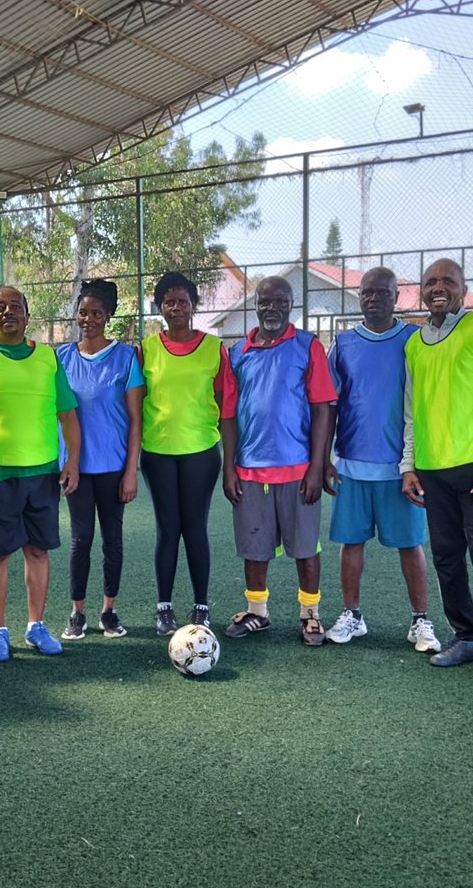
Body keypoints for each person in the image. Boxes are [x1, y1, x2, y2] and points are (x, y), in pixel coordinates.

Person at [0, 286, 81, 661]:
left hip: (43, 473)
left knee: (38, 550)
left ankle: (36, 626)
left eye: (15, 306)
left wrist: (72, 460)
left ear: (27, 315)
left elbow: (68, 415)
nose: (7, 312)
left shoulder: (48, 358)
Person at [402, 258, 473, 686]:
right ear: (421, 291)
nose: (438, 288)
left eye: (448, 281)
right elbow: (411, 412)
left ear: (463, 290)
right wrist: (409, 465)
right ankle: (467, 638)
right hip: (432, 471)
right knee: (447, 559)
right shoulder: (415, 344)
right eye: (431, 281)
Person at [324, 267, 441, 654]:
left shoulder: (414, 340)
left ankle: (420, 620)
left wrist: (417, 462)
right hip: (351, 465)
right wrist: (325, 459)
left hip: (401, 469)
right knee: (351, 543)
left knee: (411, 544)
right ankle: (352, 615)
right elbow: (328, 405)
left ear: (397, 297)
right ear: (360, 297)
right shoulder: (343, 344)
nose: (374, 298)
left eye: (382, 292)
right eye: (367, 292)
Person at [221, 275, 337, 646]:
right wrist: (228, 468)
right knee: (254, 547)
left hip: (298, 468)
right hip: (249, 469)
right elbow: (228, 414)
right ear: (256, 305)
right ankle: (257, 612)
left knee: (305, 547)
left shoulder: (307, 346)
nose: (273, 308)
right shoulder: (237, 353)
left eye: (281, 301)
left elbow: (322, 409)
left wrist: (317, 466)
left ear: (291, 304)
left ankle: (310, 614)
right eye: (265, 301)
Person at [139, 271, 237, 634]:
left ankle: (201, 606)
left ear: (193, 305)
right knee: (168, 529)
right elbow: (135, 404)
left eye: (183, 301)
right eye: (169, 302)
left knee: (195, 528)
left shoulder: (214, 348)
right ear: (160, 307)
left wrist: (230, 465)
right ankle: (163, 607)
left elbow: (226, 409)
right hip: (158, 452)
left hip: (201, 452)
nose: (176, 307)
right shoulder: (146, 349)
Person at [57, 279, 144, 640]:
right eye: (83, 312)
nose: (88, 319)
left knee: (112, 539)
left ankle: (109, 610)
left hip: (113, 466)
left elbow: (136, 420)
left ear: (109, 316)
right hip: (76, 467)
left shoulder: (126, 357)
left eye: (96, 313)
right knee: (80, 539)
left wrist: (131, 471)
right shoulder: (61, 358)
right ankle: (77, 612)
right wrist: (64, 461)